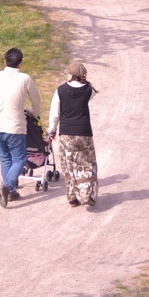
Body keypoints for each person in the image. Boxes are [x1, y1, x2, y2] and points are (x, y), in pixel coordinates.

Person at [0, 47, 41, 208]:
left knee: (5, 158)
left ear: (5, 61)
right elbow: (36, 99)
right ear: (20, 64)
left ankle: (11, 192)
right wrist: (35, 112)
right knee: (19, 159)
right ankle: (7, 186)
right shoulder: (25, 78)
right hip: (15, 125)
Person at [48, 61, 98, 207]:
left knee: (69, 165)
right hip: (84, 133)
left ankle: (72, 198)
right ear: (83, 75)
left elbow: (55, 114)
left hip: (66, 134)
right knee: (88, 164)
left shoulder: (60, 90)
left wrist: (52, 130)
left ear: (70, 74)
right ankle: (87, 192)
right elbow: (91, 93)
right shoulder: (89, 90)